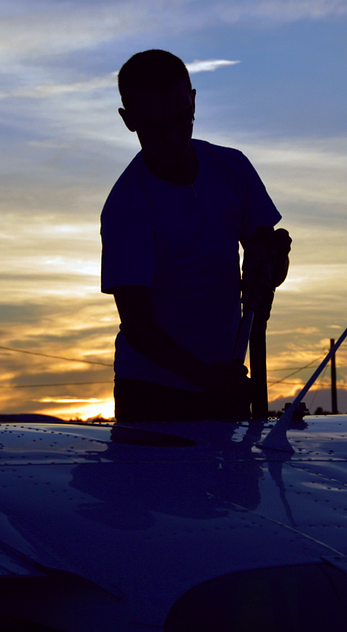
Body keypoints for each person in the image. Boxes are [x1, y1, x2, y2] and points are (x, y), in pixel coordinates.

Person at [100, 49, 290, 422]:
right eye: (155, 127)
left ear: (194, 102)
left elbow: (265, 254)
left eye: (181, 120)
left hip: (226, 379)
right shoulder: (128, 208)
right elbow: (137, 325)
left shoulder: (232, 168)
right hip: (152, 393)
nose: (172, 137)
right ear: (128, 120)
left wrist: (271, 264)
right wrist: (204, 378)